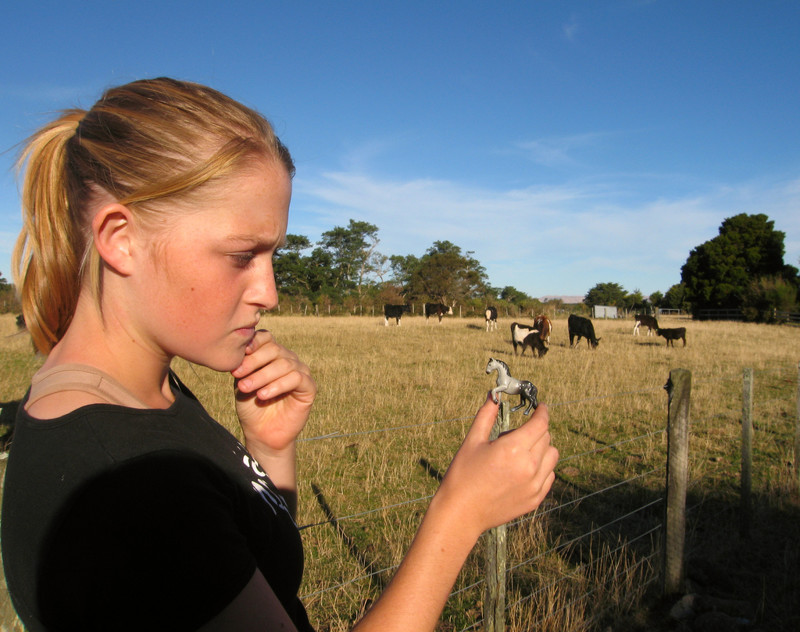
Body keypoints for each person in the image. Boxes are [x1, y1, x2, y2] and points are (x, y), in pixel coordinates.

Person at [1, 77, 558, 631]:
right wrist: (458, 515)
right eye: (243, 255)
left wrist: (270, 447)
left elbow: (246, 569)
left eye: (273, 256)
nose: (269, 292)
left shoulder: (136, 395)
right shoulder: (132, 483)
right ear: (120, 238)